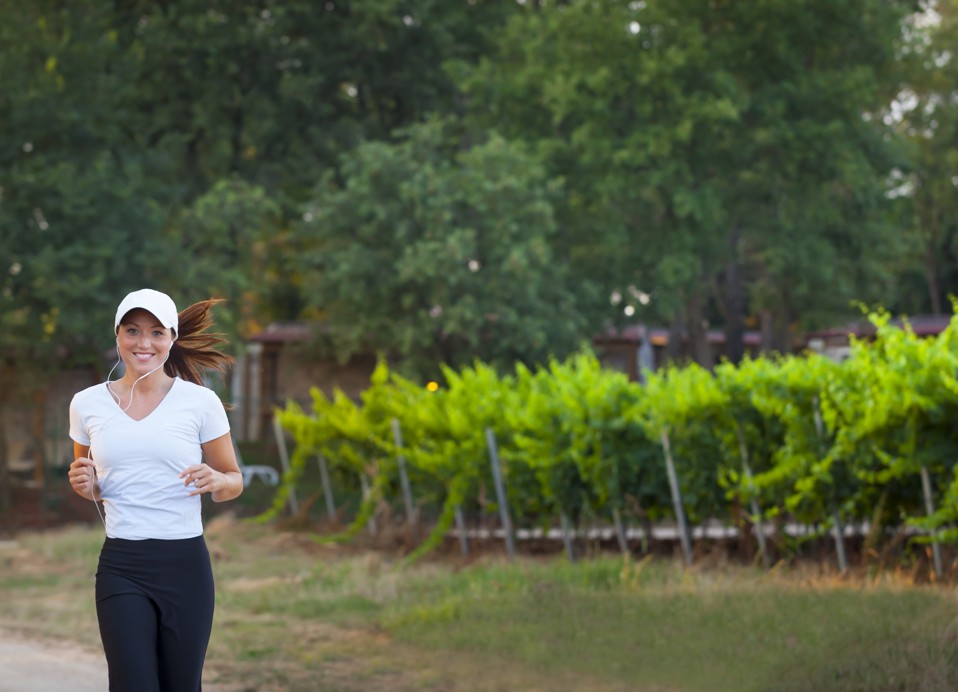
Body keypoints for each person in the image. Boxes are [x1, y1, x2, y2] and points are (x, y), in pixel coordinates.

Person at [67, 288, 243, 692]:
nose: (143, 343)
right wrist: (87, 485)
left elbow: (233, 480)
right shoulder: (86, 403)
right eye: (133, 330)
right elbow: (92, 483)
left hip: (185, 565)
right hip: (122, 564)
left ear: (172, 338)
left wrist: (217, 481)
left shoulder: (201, 402)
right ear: (117, 335)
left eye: (156, 332)